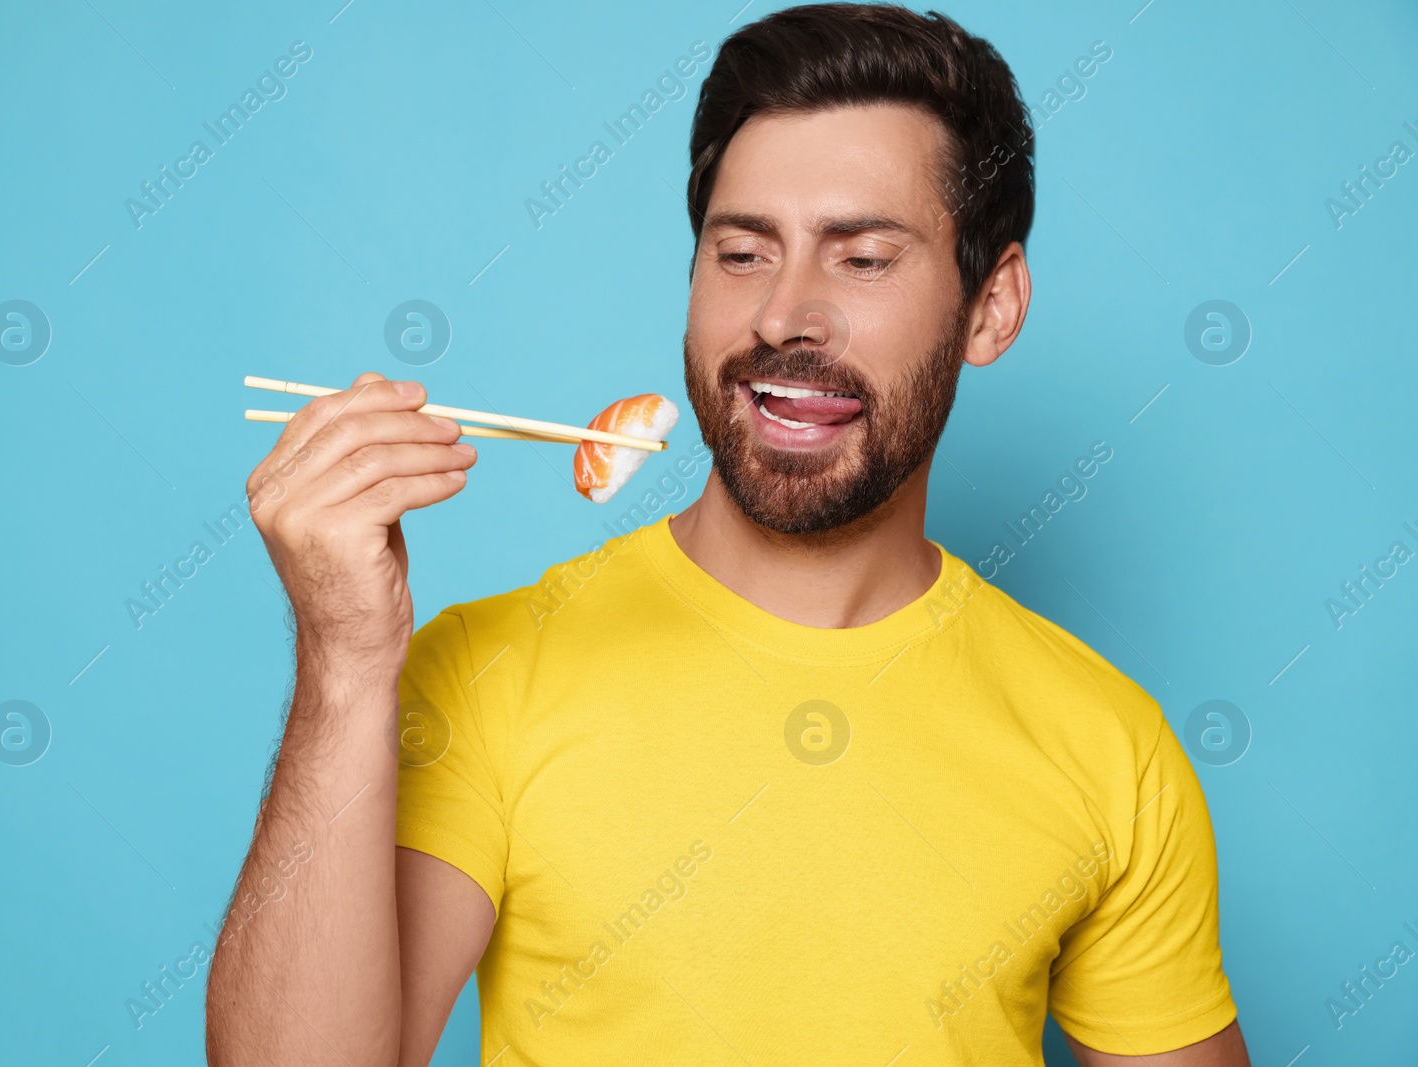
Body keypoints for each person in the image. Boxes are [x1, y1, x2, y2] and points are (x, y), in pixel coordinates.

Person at [207, 4, 1249, 1064]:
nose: (783, 314)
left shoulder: (1110, 745)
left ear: (990, 305)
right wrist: (342, 658)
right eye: (743, 252)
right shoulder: (487, 674)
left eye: (864, 259)